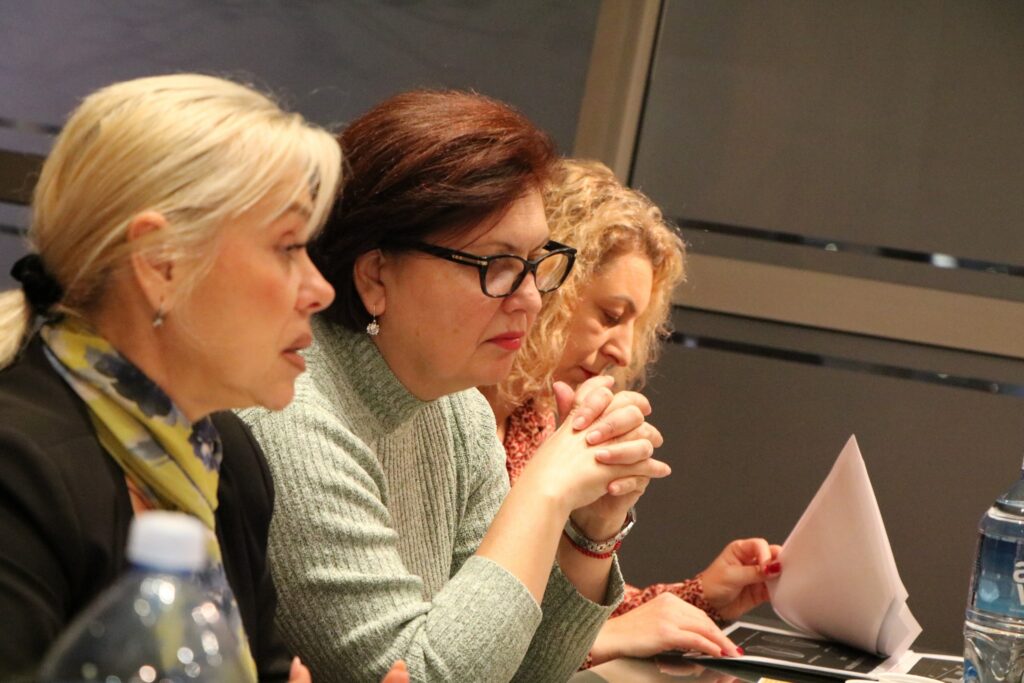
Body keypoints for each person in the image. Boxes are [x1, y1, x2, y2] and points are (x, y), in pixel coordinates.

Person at [239, 90, 687, 682]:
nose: (530, 299)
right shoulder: (290, 413)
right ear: (376, 277)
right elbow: (419, 674)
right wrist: (543, 492)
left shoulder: (457, 410)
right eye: (496, 266)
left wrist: (589, 530)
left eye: (538, 263)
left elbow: (522, 672)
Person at [0, 73, 366, 682]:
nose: (320, 289)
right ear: (161, 261)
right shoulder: (16, 467)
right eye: (288, 247)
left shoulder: (228, 453)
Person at [483, 159, 782, 666]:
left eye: (634, 326)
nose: (623, 351)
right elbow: (462, 636)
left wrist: (703, 595)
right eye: (610, 316)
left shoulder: (535, 415)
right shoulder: (449, 409)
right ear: (549, 285)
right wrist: (596, 642)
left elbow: (564, 610)